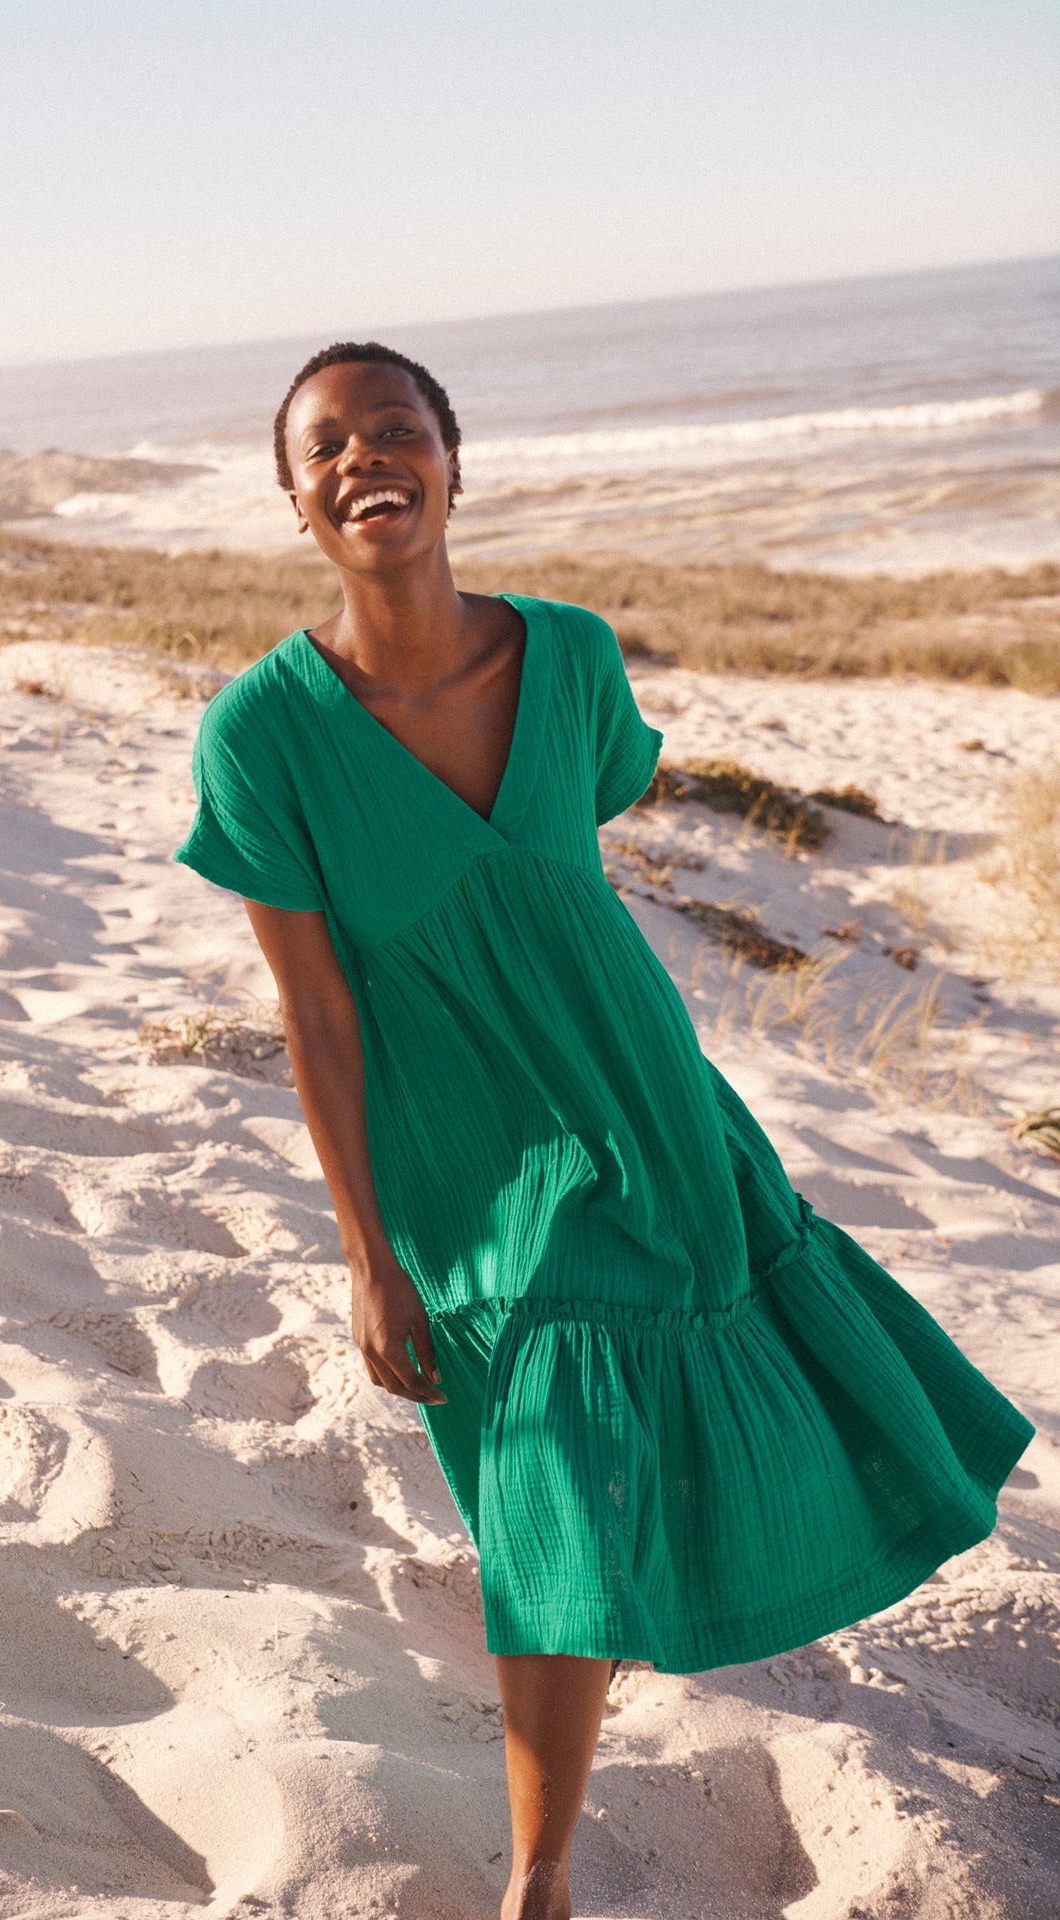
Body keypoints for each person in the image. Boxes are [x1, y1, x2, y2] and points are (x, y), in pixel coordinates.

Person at [173, 340, 1034, 1920]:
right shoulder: (263, 735)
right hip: (469, 1158)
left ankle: (598, 1731)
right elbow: (317, 1015)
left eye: (397, 430)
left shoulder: (572, 658)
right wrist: (370, 1255)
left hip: (645, 1098)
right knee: (555, 1468)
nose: (368, 458)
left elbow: (574, 852)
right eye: (327, 447)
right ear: (294, 503)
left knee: (656, 1422)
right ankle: (544, 1877)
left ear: (454, 459)